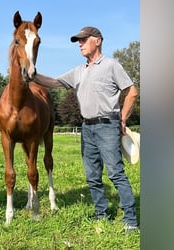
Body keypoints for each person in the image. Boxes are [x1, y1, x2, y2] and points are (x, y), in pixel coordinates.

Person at [34, 26, 139, 231]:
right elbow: (55, 82)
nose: (80, 44)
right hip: (87, 128)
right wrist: (32, 74)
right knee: (92, 176)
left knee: (116, 173)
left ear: (97, 41)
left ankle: (131, 221)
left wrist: (123, 119)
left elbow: (132, 91)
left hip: (108, 125)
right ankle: (101, 214)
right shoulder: (79, 71)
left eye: (83, 40)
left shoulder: (111, 65)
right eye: (78, 41)